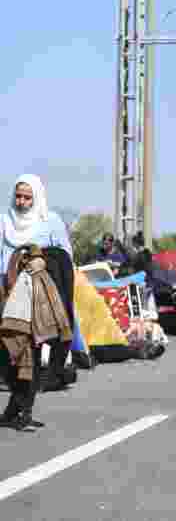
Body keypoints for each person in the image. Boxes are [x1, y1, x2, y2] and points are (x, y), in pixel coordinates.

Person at [0, 175, 76, 394]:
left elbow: (65, 255)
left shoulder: (50, 221)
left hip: (40, 291)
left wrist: (44, 260)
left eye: (27, 197)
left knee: (39, 333)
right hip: (9, 286)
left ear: (37, 198)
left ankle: (46, 377)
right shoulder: (4, 221)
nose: (21, 202)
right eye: (18, 196)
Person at [1, 244, 72, 431]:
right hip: (18, 307)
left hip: (27, 308)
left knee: (28, 358)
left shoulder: (43, 270)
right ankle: (19, 412)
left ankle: (21, 412)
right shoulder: (32, 272)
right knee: (23, 359)